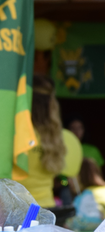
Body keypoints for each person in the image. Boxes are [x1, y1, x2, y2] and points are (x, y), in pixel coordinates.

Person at [19, 76, 83, 208]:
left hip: (17, 210)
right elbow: (66, 177)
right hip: (47, 208)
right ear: (52, 104)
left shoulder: (14, 133)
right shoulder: (58, 137)